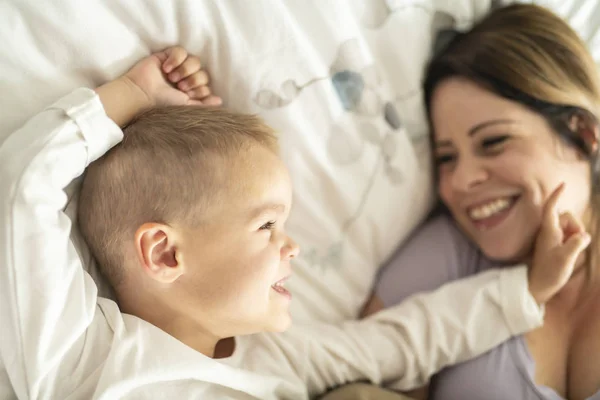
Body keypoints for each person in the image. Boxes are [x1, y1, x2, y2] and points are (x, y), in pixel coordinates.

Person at [0, 44, 584, 400]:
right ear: (164, 254)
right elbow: (23, 192)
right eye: (266, 226)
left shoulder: (276, 358)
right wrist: (130, 94)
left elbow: (402, 340)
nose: (294, 246)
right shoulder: (82, 354)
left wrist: (527, 291)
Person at [367, 4, 600, 400]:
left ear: (583, 134)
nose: (460, 181)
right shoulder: (448, 259)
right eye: (447, 158)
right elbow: (355, 377)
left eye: (493, 142)